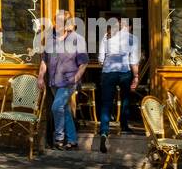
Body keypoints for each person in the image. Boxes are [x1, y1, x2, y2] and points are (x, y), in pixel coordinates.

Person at [37, 10, 88, 150]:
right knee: (64, 109)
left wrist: (76, 78)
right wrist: (41, 77)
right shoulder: (50, 39)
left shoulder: (77, 39)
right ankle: (72, 139)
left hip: (69, 81)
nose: (58, 24)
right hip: (54, 81)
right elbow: (44, 61)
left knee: (56, 107)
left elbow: (84, 63)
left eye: (62, 21)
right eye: (57, 21)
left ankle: (58, 138)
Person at [97, 15, 139, 153]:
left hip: (108, 73)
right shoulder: (132, 39)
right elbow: (133, 61)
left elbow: (100, 59)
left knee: (106, 103)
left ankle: (104, 131)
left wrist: (106, 63)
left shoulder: (106, 36)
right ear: (128, 27)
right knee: (125, 99)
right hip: (124, 73)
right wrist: (136, 77)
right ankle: (124, 126)